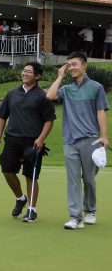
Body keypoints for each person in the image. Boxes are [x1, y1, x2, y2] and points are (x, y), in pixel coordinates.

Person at [46, 52, 109, 230]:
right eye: (69, 65)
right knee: (73, 179)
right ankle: (75, 217)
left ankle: (90, 211)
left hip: (91, 140)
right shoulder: (66, 89)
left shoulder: (96, 87)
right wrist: (59, 77)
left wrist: (104, 136)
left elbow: (101, 112)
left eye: (74, 64)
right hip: (70, 140)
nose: (71, 68)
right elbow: (49, 96)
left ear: (84, 65)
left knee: (89, 178)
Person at [0, 61, 56, 222]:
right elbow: (2, 116)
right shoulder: (11, 93)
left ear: (37, 76)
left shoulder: (42, 96)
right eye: (24, 71)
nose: (24, 73)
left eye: (29, 72)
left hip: (33, 142)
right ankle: (21, 198)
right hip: (12, 139)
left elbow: (49, 120)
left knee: (31, 175)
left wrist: (41, 139)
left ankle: (32, 209)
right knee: (7, 170)